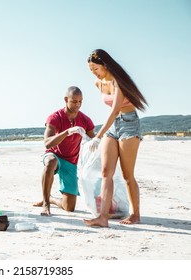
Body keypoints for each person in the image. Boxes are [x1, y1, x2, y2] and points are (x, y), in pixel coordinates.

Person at [83, 49, 148, 227]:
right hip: (113, 126)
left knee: (128, 175)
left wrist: (97, 135)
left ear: (105, 65)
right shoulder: (99, 83)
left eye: (96, 68)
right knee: (106, 173)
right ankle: (103, 217)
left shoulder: (118, 82)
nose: (94, 73)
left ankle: (135, 214)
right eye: (91, 70)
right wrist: (103, 133)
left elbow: (114, 110)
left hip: (129, 124)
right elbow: (111, 112)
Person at [33, 86, 95, 216]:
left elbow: (93, 141)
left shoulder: (85, 120)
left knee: (69, 207)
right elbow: (47, 143)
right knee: (50, 162)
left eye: (80, 101)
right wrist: (66, 132)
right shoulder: (55, 117)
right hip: (54, 155)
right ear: (66, 99)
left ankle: (51, 199)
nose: (78, 104)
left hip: (71, 161)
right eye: (74, 101)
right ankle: (46, 204)